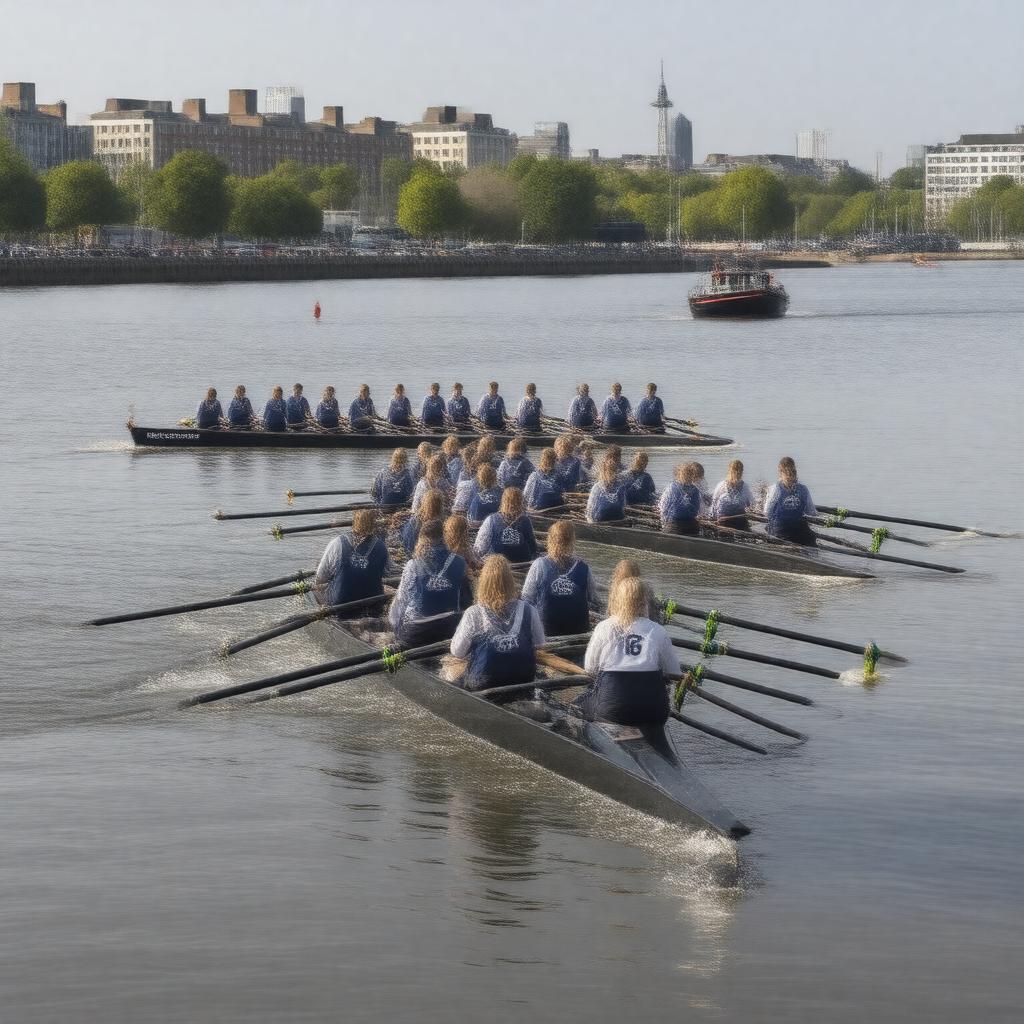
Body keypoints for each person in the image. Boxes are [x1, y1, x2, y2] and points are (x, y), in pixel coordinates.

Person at [575, 576, 680, 727]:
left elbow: (590, 668)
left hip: (614, 710)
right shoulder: (658, 630)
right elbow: (674, 671)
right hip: (654, 712)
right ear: (644, 601)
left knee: (578, 704)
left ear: (618, 600)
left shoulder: (604, 627)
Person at [448, 555, 546, 691]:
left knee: (449, 669)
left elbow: (458, 651)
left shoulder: (473, 613)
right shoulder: (529, 609)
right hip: (524, 679)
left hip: (484, 683)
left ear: (483, 582)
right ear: (510, 581)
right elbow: (540, 643)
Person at [388, 519, 470, 646]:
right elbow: (466, 601)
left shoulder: (412, 565)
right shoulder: (460, 562)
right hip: (450, 629)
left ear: (422, 539)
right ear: (444, 537)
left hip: (417, 634)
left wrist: (394, 627)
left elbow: (401, 600)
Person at [521, 520, 598, 636]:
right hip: (579, 632)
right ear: (572, 541)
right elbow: (594, 601)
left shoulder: (539, 565)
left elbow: (527, 599)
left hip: (546, 632)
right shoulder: (584, 567)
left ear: (550, 540)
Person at [314, 508, 392, 613]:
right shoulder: (382, 546)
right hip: (373, 604)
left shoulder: (337, 542)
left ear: (354, 523)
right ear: (373, 525)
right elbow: (388, 573)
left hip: (341, 604)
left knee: (316, 588)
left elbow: (320, 577)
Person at [473, 487, 539, 563]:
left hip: (498, 563)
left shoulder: (491, 519)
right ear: (521, 502)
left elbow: (480, 549)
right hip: (523, 563)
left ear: (503, 501)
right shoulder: (526, 520)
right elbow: (533, 548)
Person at [763, 456, 817, 545]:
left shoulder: (774, 488)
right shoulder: (803, 489)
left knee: (769, 527)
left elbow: (767, 512)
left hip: (779, 529)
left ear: (780, 472)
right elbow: (811, 512)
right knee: (811, 536)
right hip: (795, 529)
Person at [658, 462, 703, 534]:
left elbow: (663, 507)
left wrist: (664, 523)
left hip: (675, 523)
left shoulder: (671, 487)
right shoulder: (695, 490)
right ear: (692, 475)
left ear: (679, 474)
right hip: (692, 524)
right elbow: (698, 509)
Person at [710, 459, 755, 530]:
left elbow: (714, 503)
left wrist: (712, 518)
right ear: (742, 472)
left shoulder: (721, 485)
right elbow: (750, 504)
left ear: (729, 471)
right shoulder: (745, 486)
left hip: (723, 521)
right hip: (740, 521)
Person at [401, 488, 446, 555]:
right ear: (441, 506)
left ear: (423, 504)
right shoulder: (444, 523)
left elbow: (407, 544)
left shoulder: (413, 522)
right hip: (438, 556)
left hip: (416, 555)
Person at [586, 458, 628, 523]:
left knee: (593, 515)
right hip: (619, 517)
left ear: (603, 472)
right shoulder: (621, 485)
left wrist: (589, 519)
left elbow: (590, 506)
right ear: (616, 471)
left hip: (601, 518)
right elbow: (623, 504)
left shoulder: (597, 486)